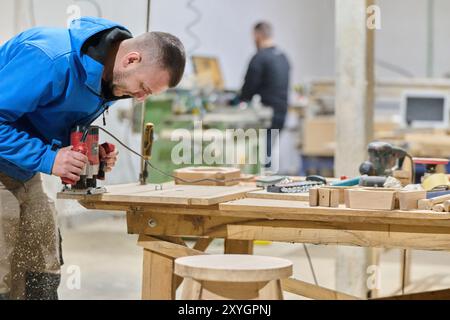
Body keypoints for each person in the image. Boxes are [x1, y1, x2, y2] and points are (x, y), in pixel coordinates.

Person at [0, 16, 185, 300]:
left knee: (42, 267)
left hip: (21, 170)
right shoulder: (49, 58)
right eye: (144, 88)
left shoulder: (108, 77)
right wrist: (50, 158)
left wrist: (86, 154)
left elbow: (50, 118)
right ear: (131, 60)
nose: (140, 97)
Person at [240, 21, 290, 169]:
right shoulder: (283, 57)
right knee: (267, 154)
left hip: (267, 116)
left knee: (261, 157)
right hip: (281, 113)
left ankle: (263, 186)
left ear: (257, 35)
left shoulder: (260, 58)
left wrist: (236, 101)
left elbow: (247, 91)